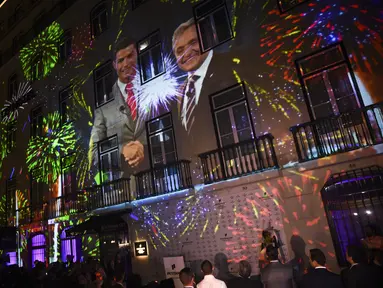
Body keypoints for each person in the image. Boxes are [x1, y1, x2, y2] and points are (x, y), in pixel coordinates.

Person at [90, 37, 148, 179]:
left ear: (137, 54)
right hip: (123, 185)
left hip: (158, 177)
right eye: (121, 60)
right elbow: (94, 151)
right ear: (114, 65)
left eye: (130, 56)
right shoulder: (103, 108)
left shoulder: (154, 89)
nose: (126, 64)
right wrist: (122, 151)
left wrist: (143, 147)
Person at [172, 18, 238, 139]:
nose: (186, 53)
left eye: (193, 43)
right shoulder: (180, 92)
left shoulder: (233, 66)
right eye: (180, 50)